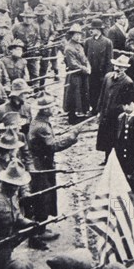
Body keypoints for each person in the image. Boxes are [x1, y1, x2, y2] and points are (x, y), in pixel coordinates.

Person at [28, 93, 83, 247]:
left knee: (44, 197)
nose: (54, 108)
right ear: (45, 110)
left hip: (42, 164)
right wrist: (72, 136)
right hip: (40, 167)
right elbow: (53, 146)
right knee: (42, 198)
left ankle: (41, 228)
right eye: (51, 106)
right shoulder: (41, 126)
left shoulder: (41, 122)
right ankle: (37, 233)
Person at [96, 55, 134, 165]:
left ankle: (115, 161)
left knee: (116, 138)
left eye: (121, 67)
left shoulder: (128, 82)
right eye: (117, 66)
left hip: (117, 116)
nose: (118, 69)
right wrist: (99, 111)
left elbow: (128, 102)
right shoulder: (108, 77)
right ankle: (107, 159)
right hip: (106, 113)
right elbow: (102, 94)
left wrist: (123, 114)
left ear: (125, 69)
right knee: (105, 138)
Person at [63, 23, 91, 124]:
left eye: (79, 34)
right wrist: (85, 68)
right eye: (76, 34)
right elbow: (73, 64)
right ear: (71, 35)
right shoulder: (69, 48)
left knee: (81, 94)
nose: (78, 36)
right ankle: (72, 117)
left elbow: (84, 58)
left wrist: (88, 66)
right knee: (73, 96)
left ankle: (79, 114)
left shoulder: (79, 45)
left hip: (81, 74)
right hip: (74, 75)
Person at [84, 18, 113, 114]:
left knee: (101, 91)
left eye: (94, 29)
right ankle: (93, 109)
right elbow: (84, 57)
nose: (91, 31)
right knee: (91, 90)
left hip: (101, 73)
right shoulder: (88, 42)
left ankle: (100, 109)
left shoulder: (107, 42)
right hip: (91, 71)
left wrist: (107, 74)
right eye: (91, 29)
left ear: (99, 30)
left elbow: (109, 60)